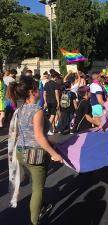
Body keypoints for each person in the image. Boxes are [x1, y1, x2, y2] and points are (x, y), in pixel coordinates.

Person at [7, 76, 63, 225]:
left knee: (35, 184)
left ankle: (41, 206)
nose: (40, 91)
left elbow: (26, 132)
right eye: (38, 89)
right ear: (32, 92)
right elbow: (38, 136)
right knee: (38, 189)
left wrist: (50, 143)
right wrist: (54, 154)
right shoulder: (37, 110)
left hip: (21, 152)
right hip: (35, 155)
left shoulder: (20, 109)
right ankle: (34, 221)